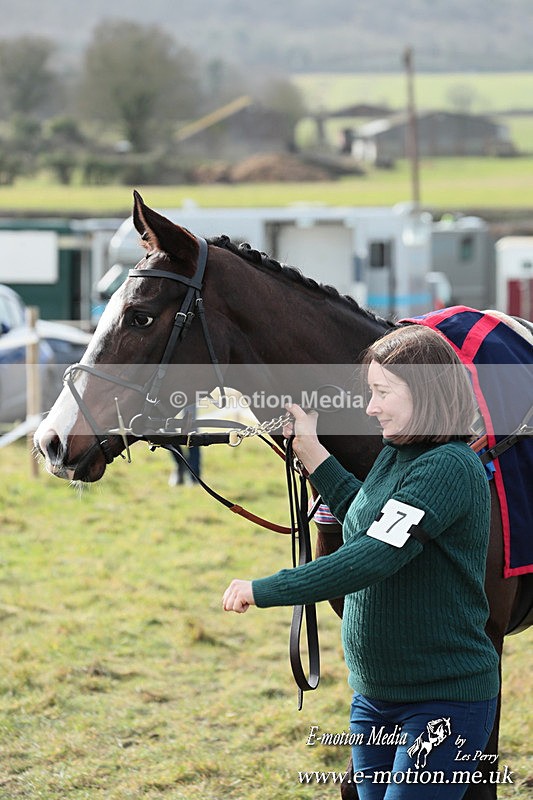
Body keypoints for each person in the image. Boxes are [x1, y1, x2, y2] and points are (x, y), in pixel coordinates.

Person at [222, 325, 499, 799]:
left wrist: (265, 589)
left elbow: (374, 555)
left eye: (382, 393)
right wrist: (309, 449)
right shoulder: (398, 455)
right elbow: (365, 517)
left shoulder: (448, 466)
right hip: (373, 698)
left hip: (443, 702)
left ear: (426, 393)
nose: (371, 407)